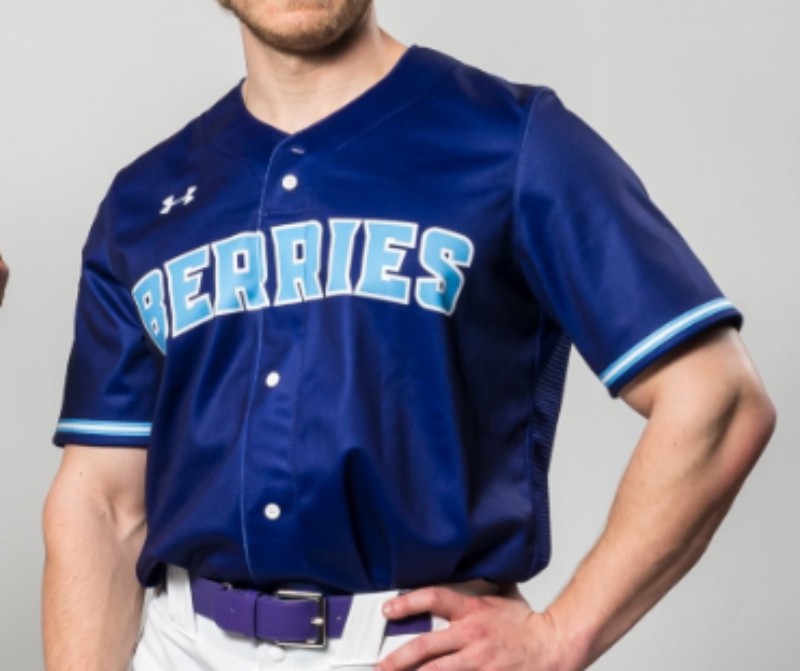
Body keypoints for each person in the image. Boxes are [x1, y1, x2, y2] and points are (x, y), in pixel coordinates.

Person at [42, 2, 776, 670]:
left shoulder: (512, 140)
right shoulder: (143, 197)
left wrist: (562, 634)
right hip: (182, 645)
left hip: (409, 648)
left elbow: (718, 399)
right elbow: (102, 503)